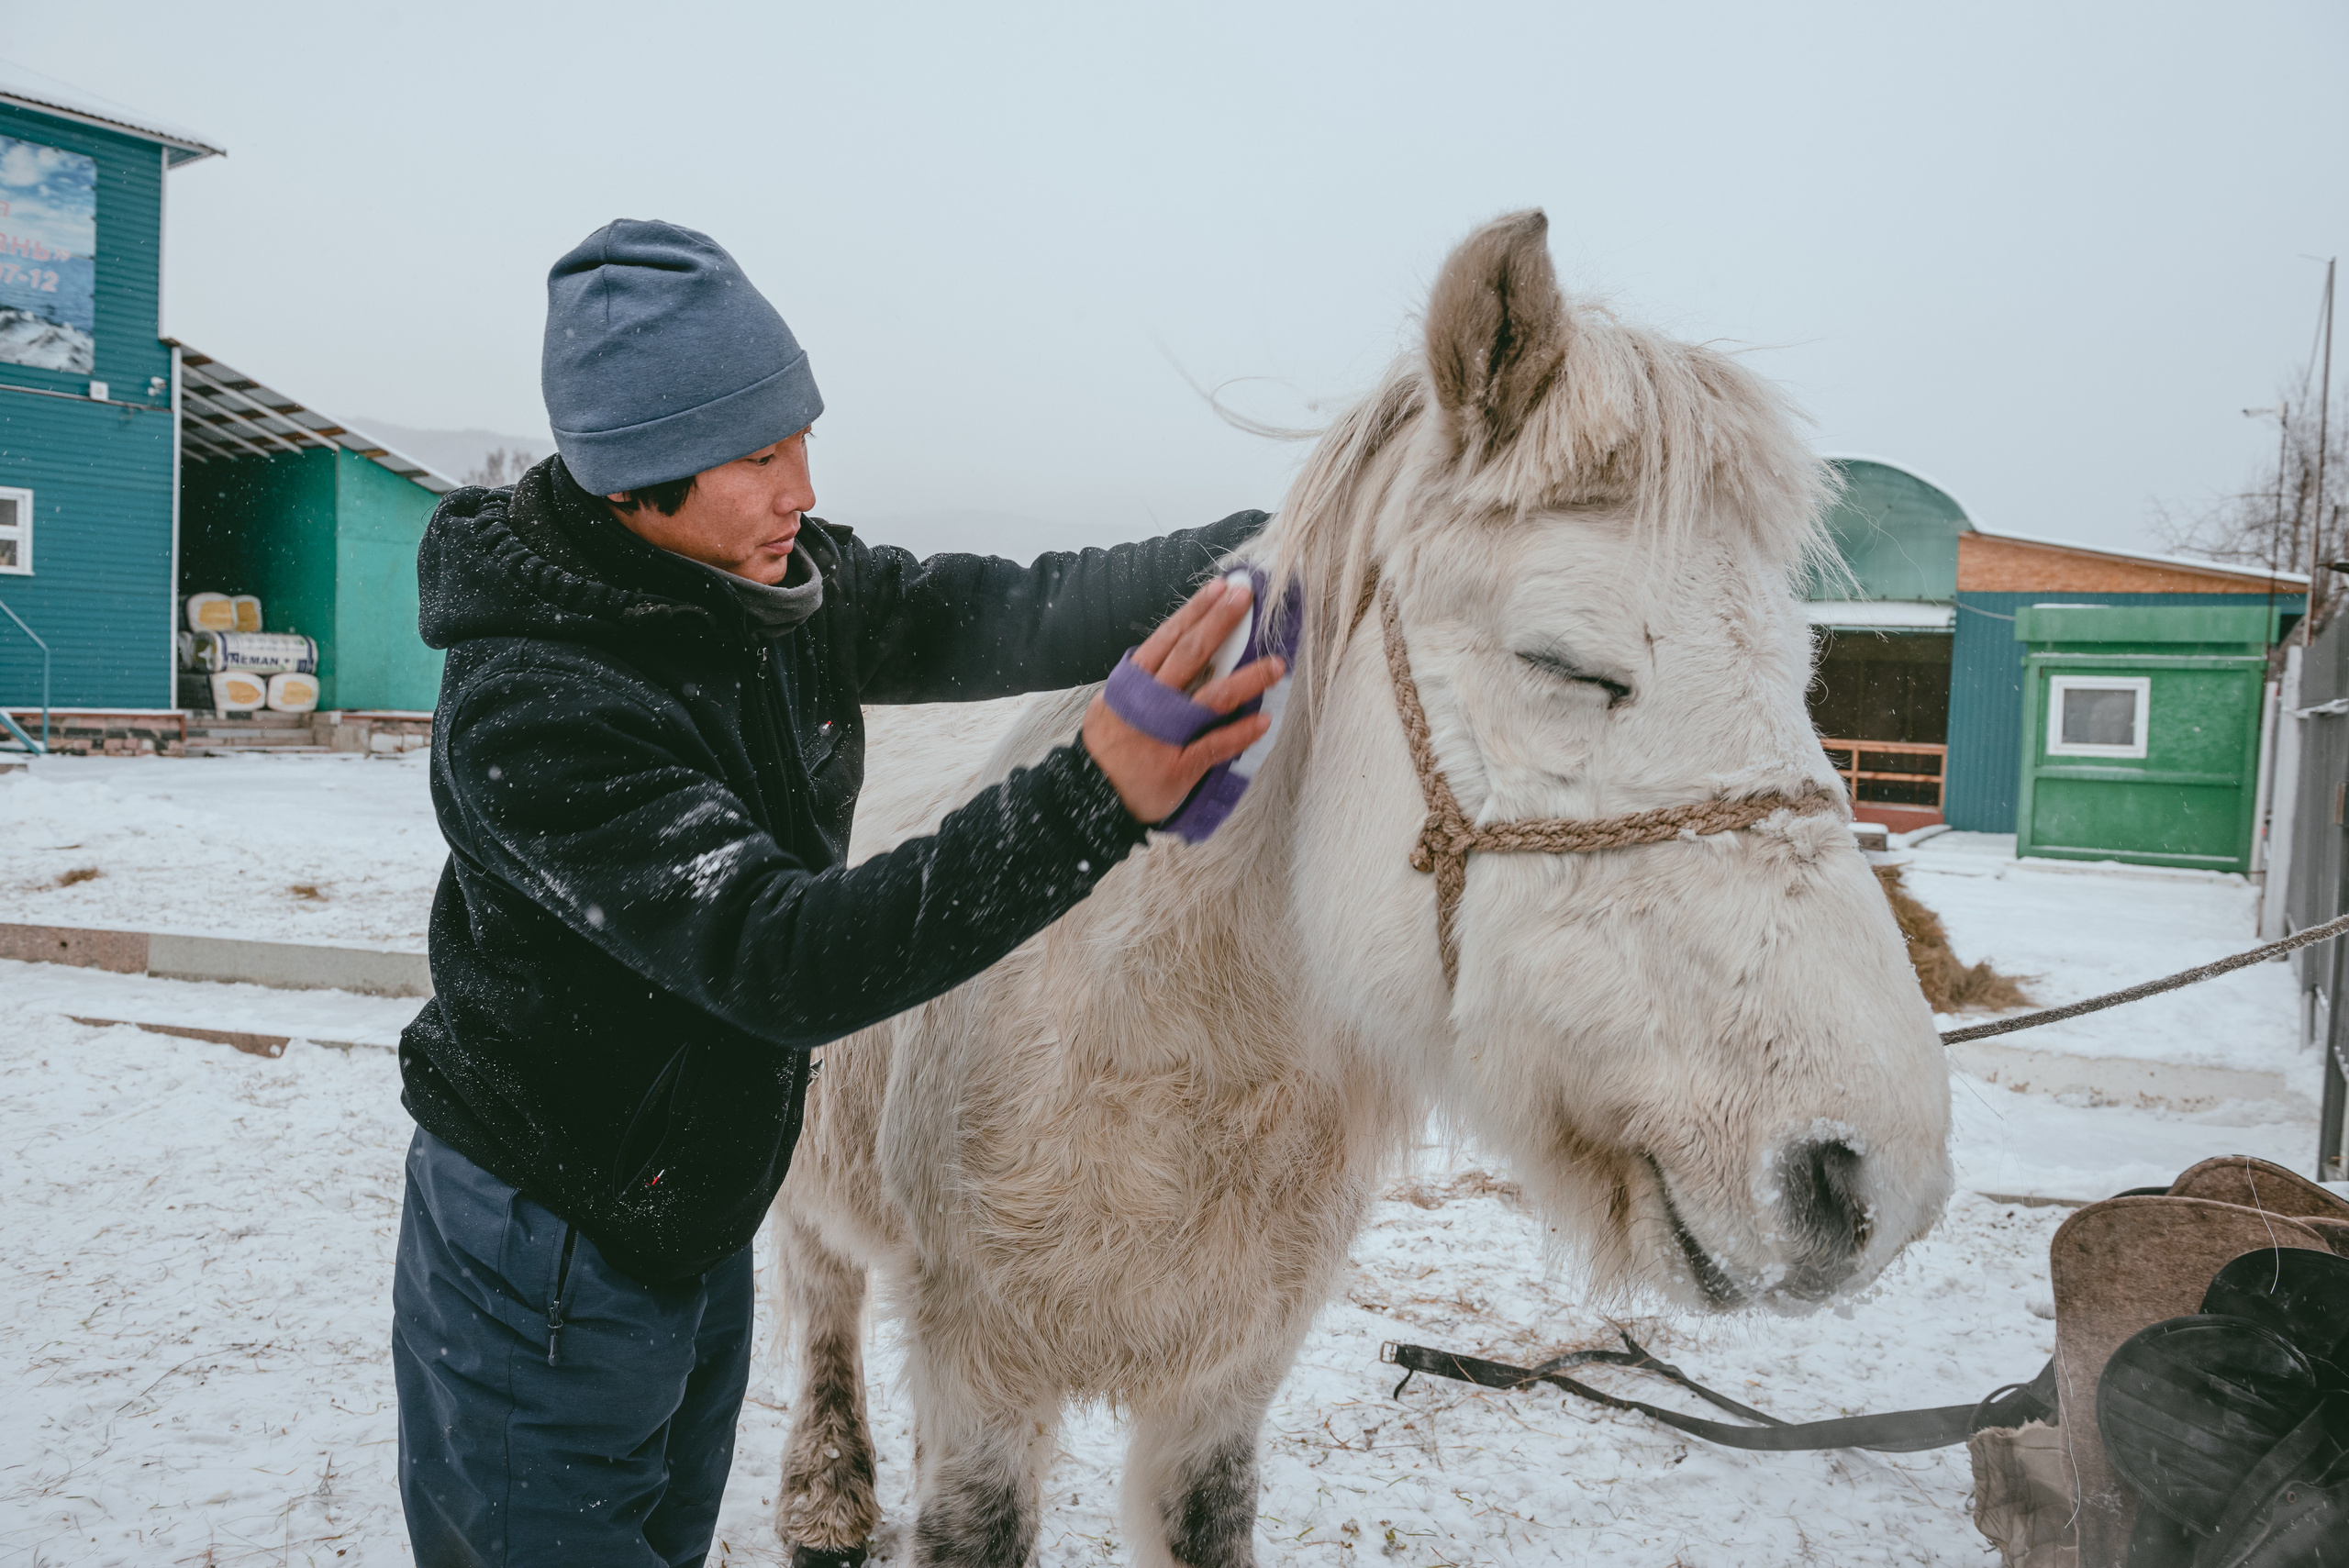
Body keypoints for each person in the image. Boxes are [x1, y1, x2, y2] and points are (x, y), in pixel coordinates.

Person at [392, 219, 1282, 1567]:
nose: (801, 486)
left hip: (689, 1210)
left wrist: (1264, 548)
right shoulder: (539, 706)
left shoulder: (763, 585)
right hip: (547, 1254)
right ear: (633, 473)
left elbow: (1008, 608)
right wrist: (1098, 791)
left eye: (802, 436)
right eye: (758, 455)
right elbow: (789, 957)